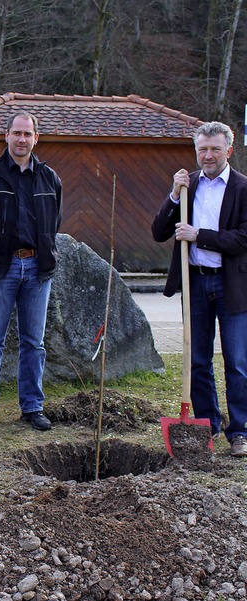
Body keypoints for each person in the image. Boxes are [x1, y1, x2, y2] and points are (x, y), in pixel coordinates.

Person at [152, 121, 247, 458]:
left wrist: (200, 235)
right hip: (195, 281)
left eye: (214, 150)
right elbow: (159, 231)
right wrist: (174, 195)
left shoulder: (242, 188)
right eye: (202, 149)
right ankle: (207, 425)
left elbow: (243, 238)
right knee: (197, 360)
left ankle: (240, 432)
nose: (207, 155)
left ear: (228, 151)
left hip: (231, 284)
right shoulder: (188, 185)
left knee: (236, 361)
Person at [0, 112, 62, 434]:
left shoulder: (50, 178)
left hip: (38, 269)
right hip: (0, 268)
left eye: (28, 134)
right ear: (6, 135)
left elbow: (54, 224)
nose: (22, 139)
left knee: (34, 343)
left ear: (36, 138)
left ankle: (32, 407)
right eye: (17, 133)